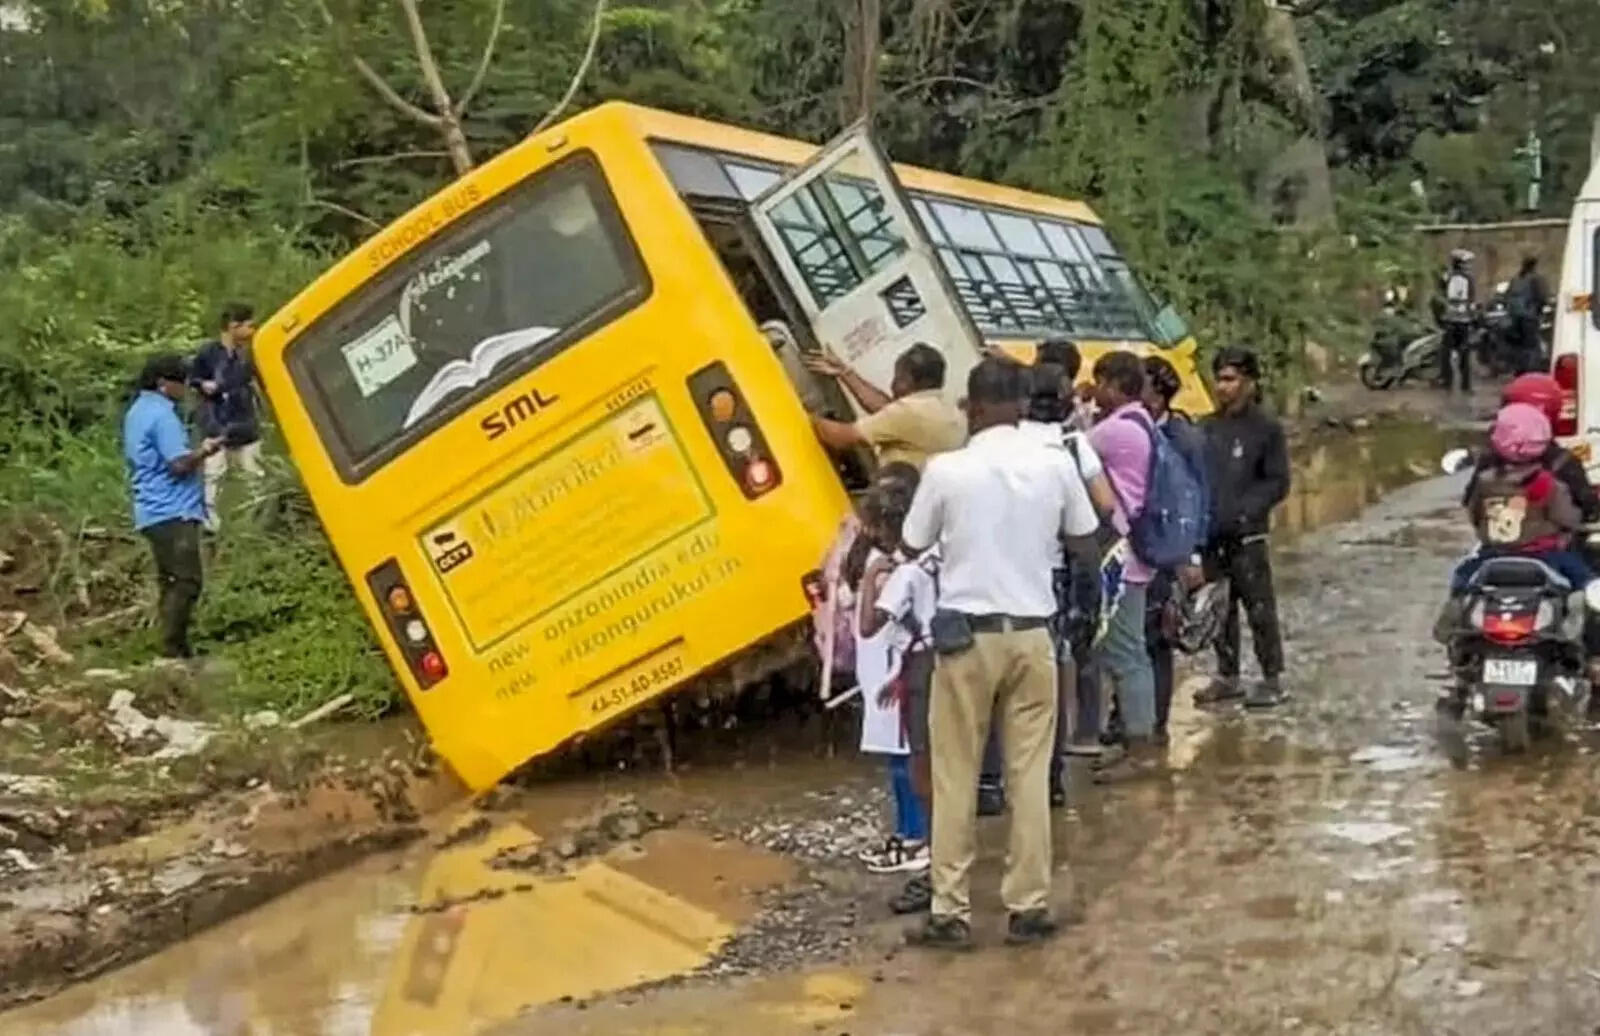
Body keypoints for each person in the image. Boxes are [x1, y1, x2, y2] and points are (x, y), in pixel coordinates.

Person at [901, 356, 1100, 950]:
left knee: (956, 774)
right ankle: (1028, 907)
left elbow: (913, 540)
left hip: (966, 640)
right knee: (1030, 774)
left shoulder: (946, 470)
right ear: (1020, 405)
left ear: (976, 406)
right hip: (1033, 635)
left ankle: (950, 911)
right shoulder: (1056, 465)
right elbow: (1085, 544)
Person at [1084, 351, 1163, 783]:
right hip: (1134, 554)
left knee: (1126, 654)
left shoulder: (1115, 431)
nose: (1094, 391)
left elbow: (1069, 450)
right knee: (1128, 652)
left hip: (1122, 560)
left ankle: (1141, 750)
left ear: (1113, 384)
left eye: (1098, 383)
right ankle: (1137, 743)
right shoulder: (1141, 422)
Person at [1197, 347, 1291, 708]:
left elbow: (1278, 481)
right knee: (1220, 609)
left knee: (1259, 607)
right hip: (1212, 535)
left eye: (1231, 379)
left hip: (1248, 535)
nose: (1223, 387)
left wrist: (1246, 511)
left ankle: (1272, 677)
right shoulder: (1206, 427)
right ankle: (1228, 675)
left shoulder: (1265, 428)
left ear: (1250, 382)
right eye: (1219, 378)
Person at [854, 478, 934, 877]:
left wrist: (870, 580)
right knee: (903, 757)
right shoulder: (928, 558)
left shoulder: (899, 572)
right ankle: (908, 834)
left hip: (904, 671)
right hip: (906, 667)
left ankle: (915, 837)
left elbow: (869, 625)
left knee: (907, 758)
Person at [124, 354, 224, 659]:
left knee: (170, 582)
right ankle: (172, 650)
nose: (184, 388)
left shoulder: (137, 411)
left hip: (151, 509)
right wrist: (205, 450)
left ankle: (174, 649)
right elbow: (178, 464)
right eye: (180, 382)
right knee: (187, 581)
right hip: (172, 508)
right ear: (163, 383)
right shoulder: (162, 415)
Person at [1448, 403, 1592, 593]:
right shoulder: (1548, 484)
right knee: (1588, 582)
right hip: (1544, 555)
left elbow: (1474, 514)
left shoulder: (1484, 481)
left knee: (1460, 582)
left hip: (1493, 554)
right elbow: (1568, 518)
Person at [1142, 356, 1209, 743]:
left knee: (1159, 638)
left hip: (1170, 553)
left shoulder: (1184, 439)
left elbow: (1200, 498)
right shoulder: (1131, 431)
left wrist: (1193, 554)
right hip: (1140, 550)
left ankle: (1157, 722)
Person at [804, 343, 966, 471]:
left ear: (921, 383)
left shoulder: (909, 412)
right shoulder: (947, 409)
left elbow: (840, 437)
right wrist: (845, 373)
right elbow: (887, 409)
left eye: (899, 378)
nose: (893, 385)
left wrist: (803, 415)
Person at [190, 303, 263, 532]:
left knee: (254, 474)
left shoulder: (249, 353)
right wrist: (205, 384)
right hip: (217, 421)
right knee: (214, 474)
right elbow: (193, 378)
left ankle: (256, 521)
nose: (253, 331)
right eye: (248, 325)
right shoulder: (208, 353)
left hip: (244, 420)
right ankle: (211, 523)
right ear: (234, 326)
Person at [1432, 250, 1477, 393]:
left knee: (1451, 352)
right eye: (1465, 263)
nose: (1467, 266)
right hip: (1459, 320)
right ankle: (1461, 384)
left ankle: (1450, 381)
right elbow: (1471, 299)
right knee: (1459, 352)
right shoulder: (1464, 279)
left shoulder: (1450, 278)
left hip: (1453, 320)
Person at [1507, 256, 1551, 375]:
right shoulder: (1536, 278)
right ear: (1534, 266)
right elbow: (1542, 297)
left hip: (1515, 317)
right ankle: (1531, 370)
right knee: (1531, 345)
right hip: (1529, 316)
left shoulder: (1515, 279)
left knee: (1520, 345)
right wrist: (1540, 310)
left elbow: (1508, 295)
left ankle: (1520, 369)